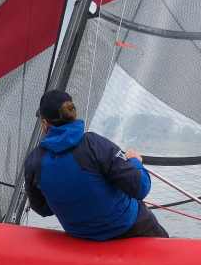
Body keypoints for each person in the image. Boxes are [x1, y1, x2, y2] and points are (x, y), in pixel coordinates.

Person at [23, 89, 169, 240]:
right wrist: (135, 162)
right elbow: (141, 188)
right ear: (72, 114)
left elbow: (43, 209)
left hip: (82, 238)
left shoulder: (34, 162)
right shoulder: (94, 145)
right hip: (130, 228)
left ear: (45, 123)